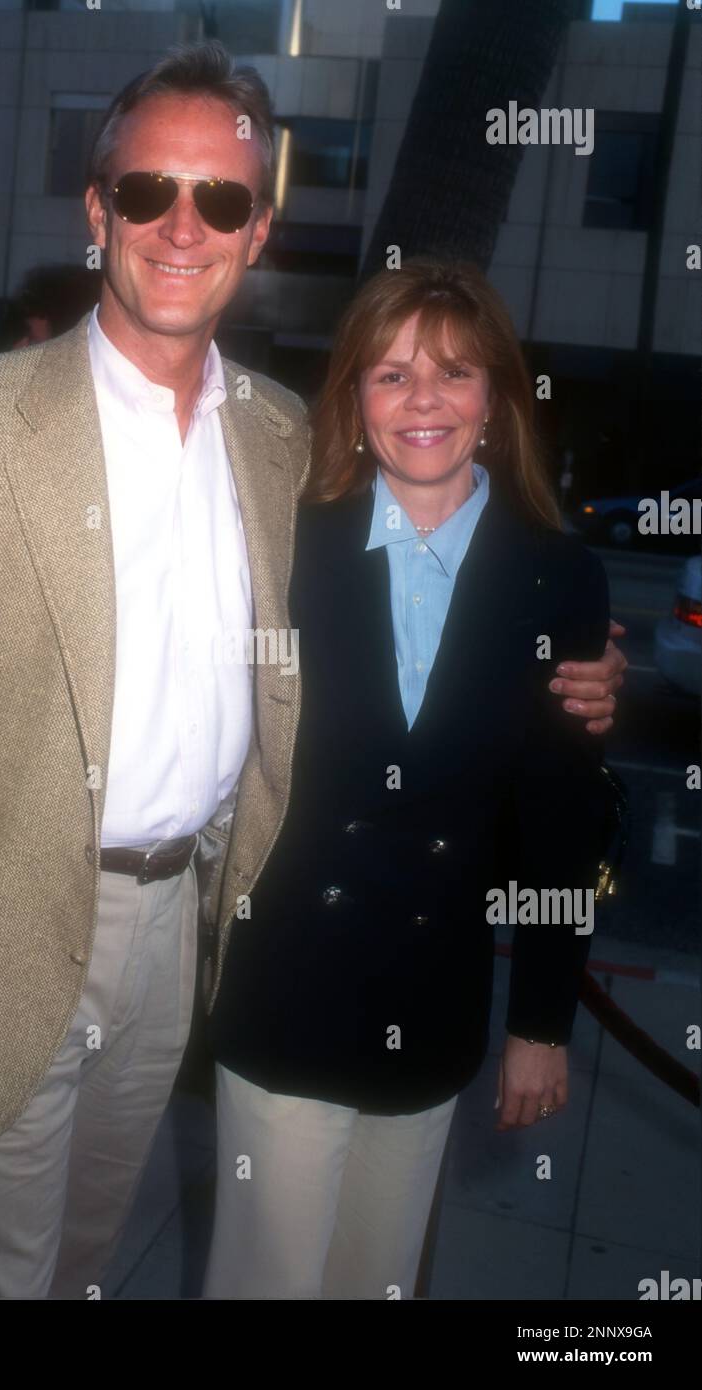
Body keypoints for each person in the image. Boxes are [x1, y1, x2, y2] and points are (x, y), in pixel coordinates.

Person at [0, 43, 624, 1301]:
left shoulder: (284, 440)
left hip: (178, 940)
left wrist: (575, 677)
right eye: (147, 193)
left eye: (222, 201)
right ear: (99, 213)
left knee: (83, 1259)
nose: (181, 226)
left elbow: (423, 610)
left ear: (257, 233)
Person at [202, 256, 622, 1300]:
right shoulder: (284, 542)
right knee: (267, 1283)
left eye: (452, 372)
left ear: (493, 400)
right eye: (389, 375)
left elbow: (562, 819)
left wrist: (539, 1022)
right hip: (286, 987)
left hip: (428, 1005)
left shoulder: (556, 574)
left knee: (376, 1283)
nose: (422, 399)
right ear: (352, 400)